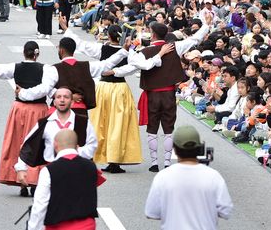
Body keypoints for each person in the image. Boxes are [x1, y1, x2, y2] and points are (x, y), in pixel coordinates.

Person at [129, 14, 213, 172]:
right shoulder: (176, 47)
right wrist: (206, 25)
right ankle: (167, 163)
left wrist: (131, 48)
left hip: (152, 96)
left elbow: (131, 64)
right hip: (168, 95)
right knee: (168, 129)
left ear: (152, 34)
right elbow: (195, 39)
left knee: (152, 129)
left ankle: (154, 163)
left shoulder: (144, 52)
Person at [60, 18, 142, 173]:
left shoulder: (101, 49)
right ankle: (115, 160)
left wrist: (66, 28)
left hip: (103, 88)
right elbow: (136, 67)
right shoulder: (129, 52)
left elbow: (81, 45)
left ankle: (98, 154)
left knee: (100, 123)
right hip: (120, 89)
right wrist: (119, 71)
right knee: (118, 125)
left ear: (109, 36)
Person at [0, 40, 50, 196]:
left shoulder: (16, 67)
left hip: (19, 108)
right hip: (39, 109)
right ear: (37, 54)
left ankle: (21, 182)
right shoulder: (45, 69)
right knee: (37, 144)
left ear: (23, 52)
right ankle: (35, 179)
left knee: (17, 141)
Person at [16, 33, 130, 117]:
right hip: (80, 112)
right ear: (73, 50)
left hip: (60, 113)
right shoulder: (87, 66)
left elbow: (44, 89)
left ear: (61, 50)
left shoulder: (53, 69)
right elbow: (107, 64)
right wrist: (124, 50)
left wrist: (23, 93)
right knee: (79, 146)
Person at [145, 125, 233, 230]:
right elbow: (226, 210)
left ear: (175, 149)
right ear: (199, 148)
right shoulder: (213, 176)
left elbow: (151, 212)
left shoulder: (163, 177)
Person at [15, 88, 98, 187]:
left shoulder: (83, 122)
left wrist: (76, 152)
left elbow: (92, 145)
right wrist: (21, 168)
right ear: (54, 102)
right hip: (51, 172)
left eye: (66, 97)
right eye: (58, 97)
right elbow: (28, 145)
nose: (62, 100)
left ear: (72, 102)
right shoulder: (44, 123)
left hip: (76, 171)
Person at [27, 129, 100, 230]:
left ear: (55, 145)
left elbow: (40, 205)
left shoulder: (49, 171)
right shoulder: (91, 167)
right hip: (87, 226)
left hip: (58, 226)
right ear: (77, 146)